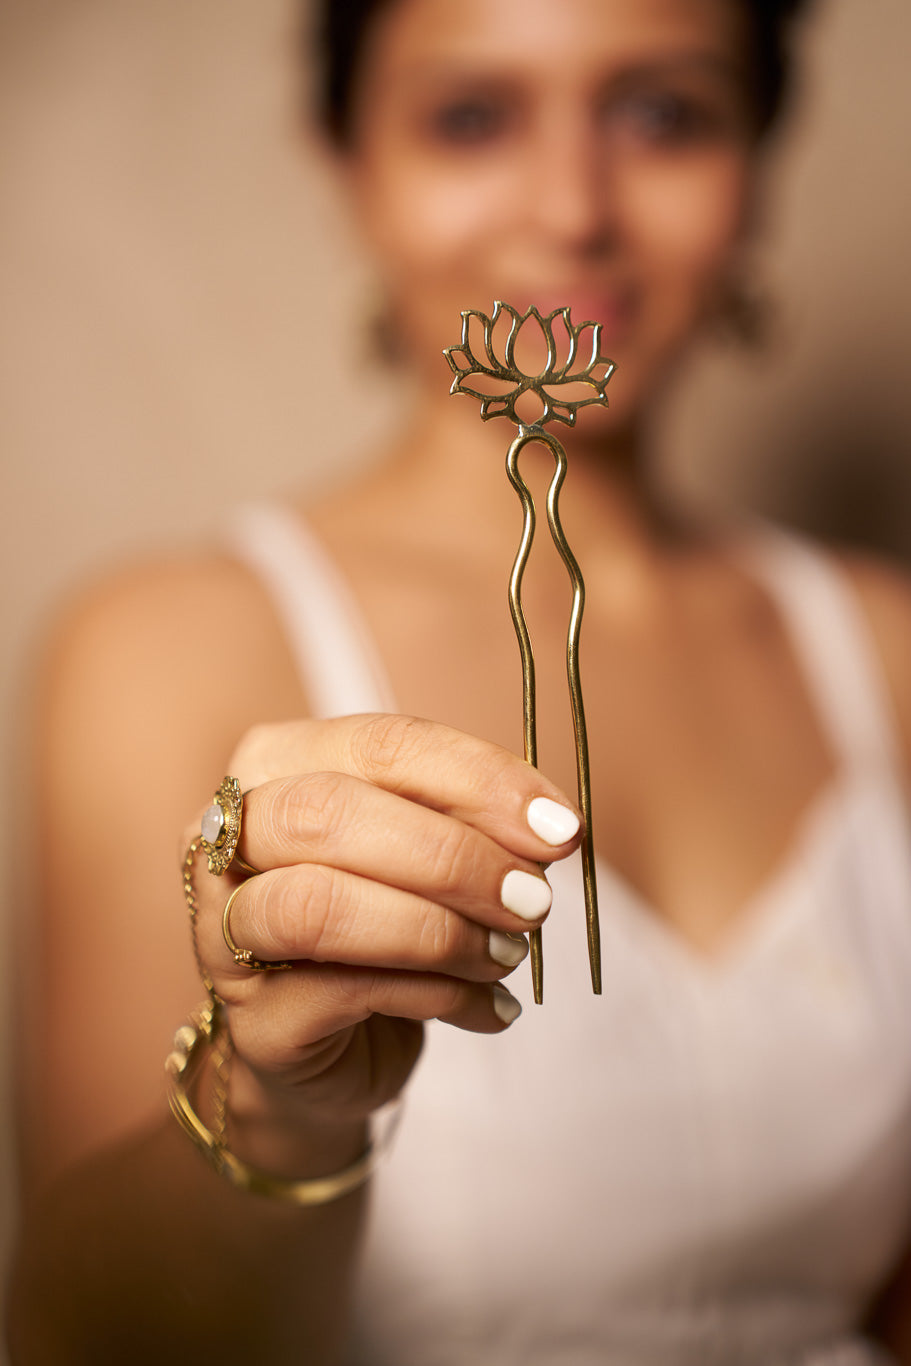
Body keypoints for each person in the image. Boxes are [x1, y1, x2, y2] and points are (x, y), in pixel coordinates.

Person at [9, 0, 911, 1361]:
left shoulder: (887, 653)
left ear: (758, 158)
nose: (571, 207)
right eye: (472, 117)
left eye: (664, 113)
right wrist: (274, 1100)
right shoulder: (164, 648)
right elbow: (90, 1330)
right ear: (347, 165)